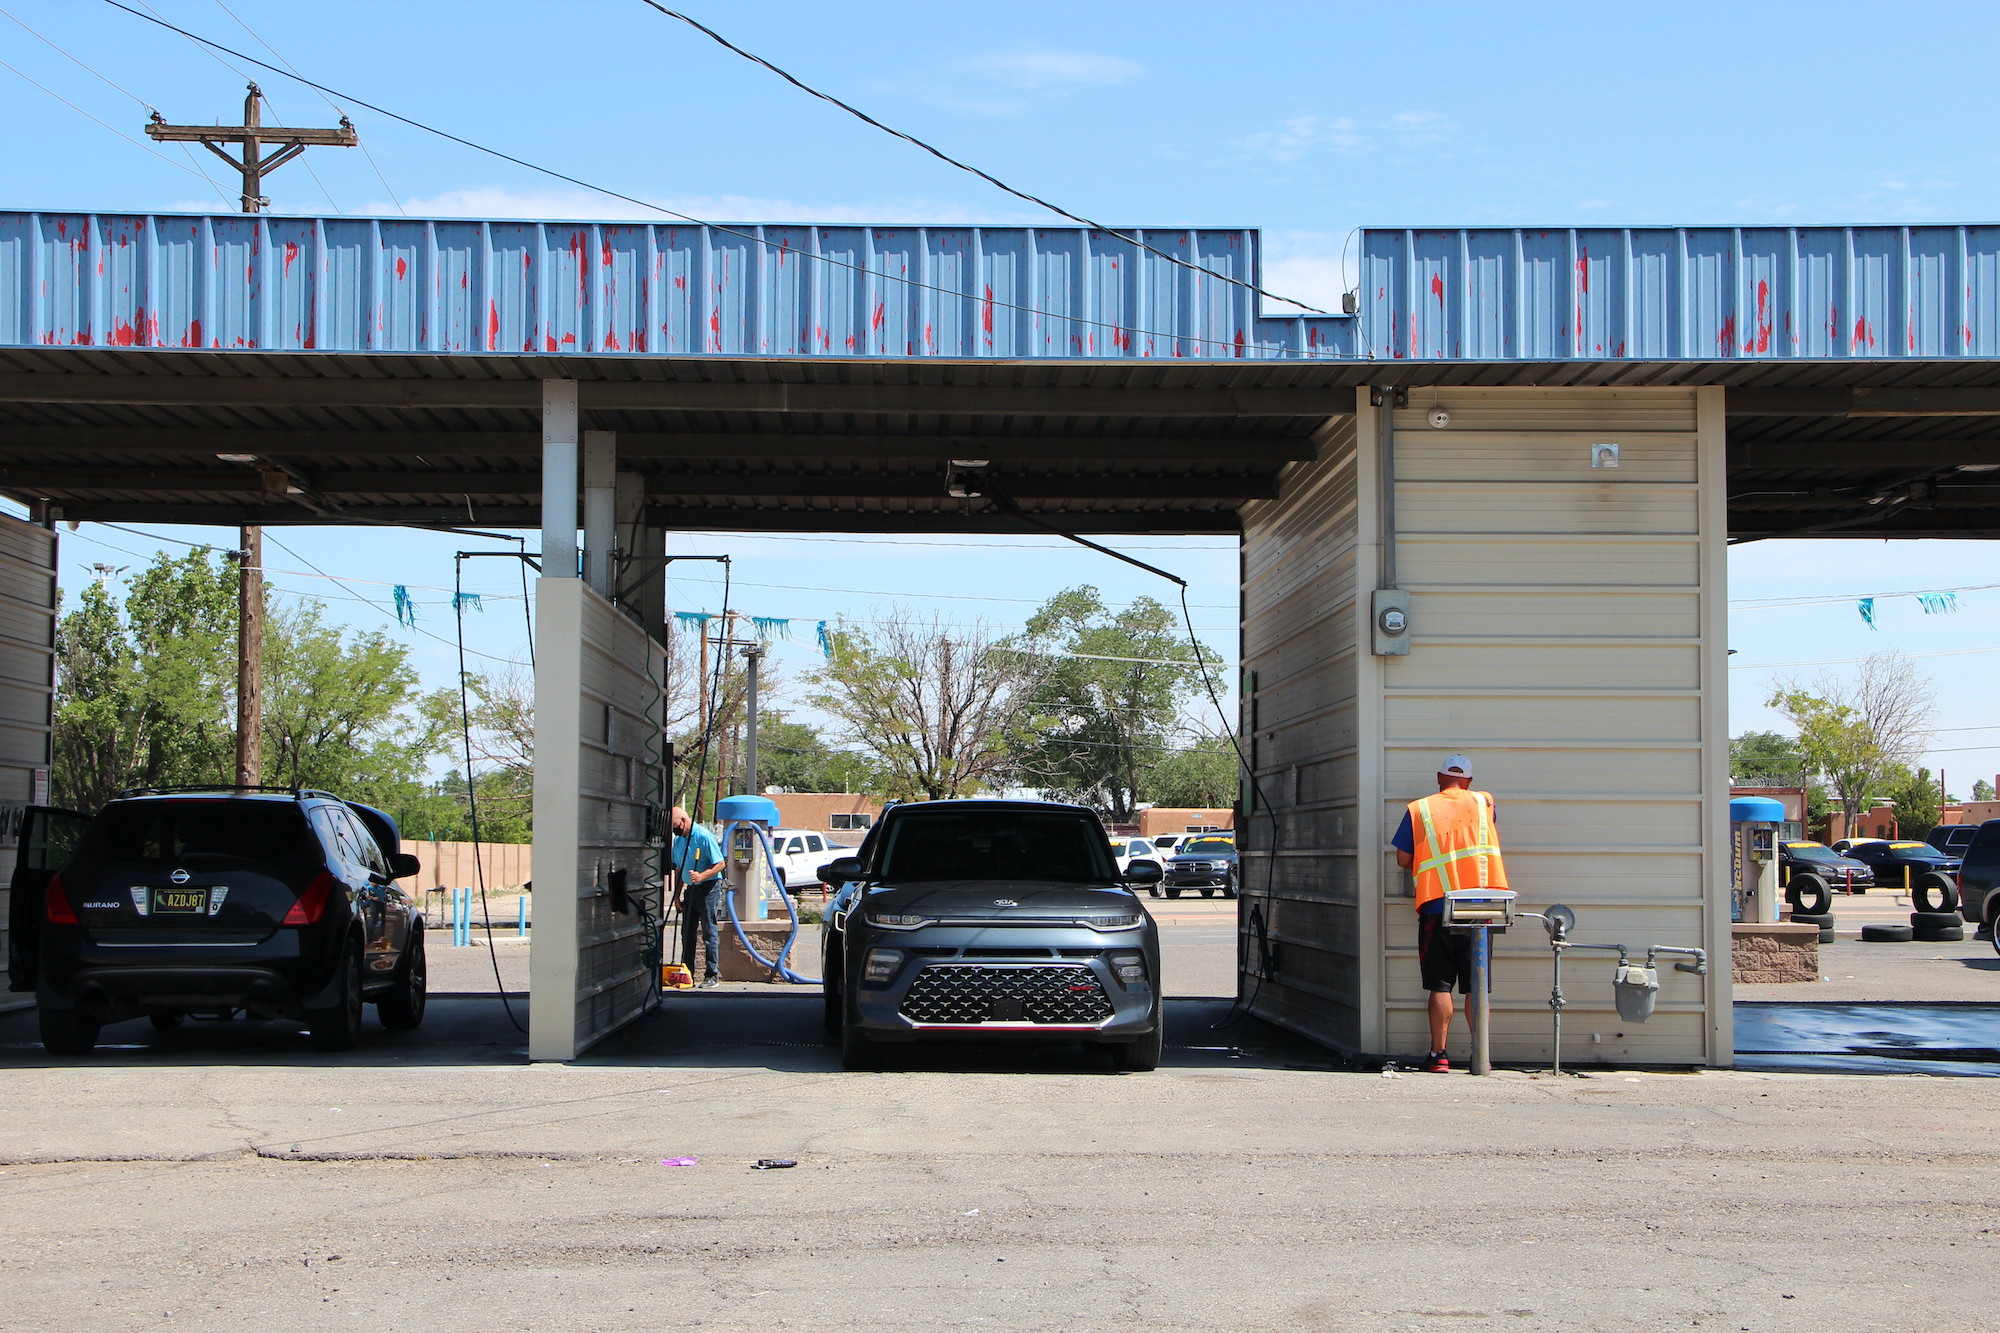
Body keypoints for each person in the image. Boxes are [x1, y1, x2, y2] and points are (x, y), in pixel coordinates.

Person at [1391, 753, 1507, 1073]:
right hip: (1481, 908)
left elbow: (1403, 858)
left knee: (1440, 985)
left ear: (1439, 778)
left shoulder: (1420, 809)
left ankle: (1439, 1055)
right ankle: (1480, 1055)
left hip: (1437, 906)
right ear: (1469, 781)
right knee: (1476, 985)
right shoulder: (1485, 804)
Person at [670, 805, 725, 987]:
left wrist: (702, 875)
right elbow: (678, 869)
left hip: (708, 888)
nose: (675, 831)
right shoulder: (678, 842)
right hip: (691, 889)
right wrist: (677, 896)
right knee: (687, 932)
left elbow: (720, 864)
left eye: (677, 826)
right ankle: (688, 972)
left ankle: (712, 975)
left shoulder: (703, 837)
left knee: (709, 932)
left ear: (685, 821)